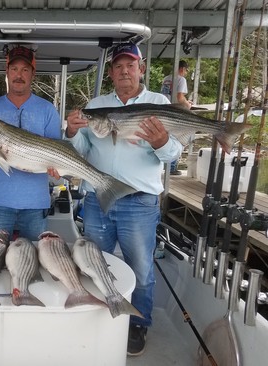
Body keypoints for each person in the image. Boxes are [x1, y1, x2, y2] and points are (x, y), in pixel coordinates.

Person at [64, 43, 183, 357]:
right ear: (112, 73)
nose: (124, 71)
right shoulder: (97, 105)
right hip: (97, 198)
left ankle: (137, 323)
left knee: (141, 268)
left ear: (141, 68)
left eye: (130, 65)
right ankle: (98, 314)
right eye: (118, 66)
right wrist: (72, 131)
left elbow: (174, 155)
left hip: (139, 202)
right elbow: (81, 151)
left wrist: (162, 142)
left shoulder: (159, 103)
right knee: (94, 262)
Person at [0, 45, 61, 241]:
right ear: (6, 71)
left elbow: (57, 152)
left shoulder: (47, 109)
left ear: (33, 74)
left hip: (36, 204)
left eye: (25, 69)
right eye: (14, 69)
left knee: (35, 260)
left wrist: (56, 168)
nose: (19, 75)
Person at [160, 60, 192, 175]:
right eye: (186, 70)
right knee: (180, 138)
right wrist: (187, 105)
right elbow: (179, 97)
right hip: (174, 111)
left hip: (163, 110)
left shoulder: (166, 78)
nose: (186, 73)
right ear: (182, 69)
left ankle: (167, 166)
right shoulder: (181, 79)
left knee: (167, 137)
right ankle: (172, 167)